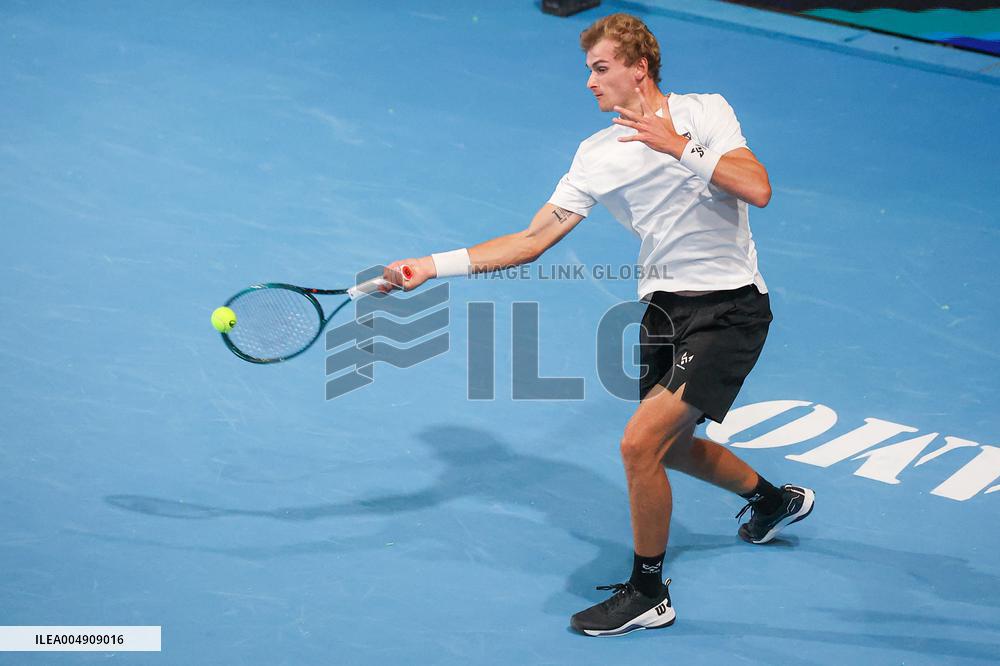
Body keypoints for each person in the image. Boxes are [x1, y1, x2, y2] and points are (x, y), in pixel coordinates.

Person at [380, 12, 814, 637]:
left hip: (730, 307)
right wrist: (431, 265)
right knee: (670, 448)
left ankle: (649, 593)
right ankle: (772, 501)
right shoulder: (595, 155)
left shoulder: (704, 112)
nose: (590, 81)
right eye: (589, 69)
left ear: (640, 68)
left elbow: (757, 187)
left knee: (638, 446)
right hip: (663, 312)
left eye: (601, 68)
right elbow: (531, 240)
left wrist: (677, 145)